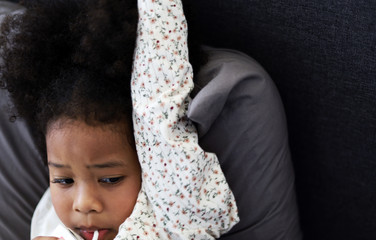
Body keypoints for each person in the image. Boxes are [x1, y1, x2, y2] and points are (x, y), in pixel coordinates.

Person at [0, 0, 239, 239]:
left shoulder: (174, 218)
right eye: (64, 180)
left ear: (150, 165)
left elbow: (158, 104)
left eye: (110, 179)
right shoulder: (51, 223)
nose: (83, 204)